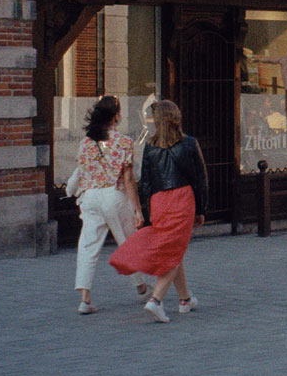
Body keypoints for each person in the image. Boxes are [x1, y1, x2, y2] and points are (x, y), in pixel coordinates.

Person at [110, 99, 207, 321]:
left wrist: (144, 209)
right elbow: (200, 180)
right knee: (173, 251)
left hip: (159, 201)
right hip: (182, 198)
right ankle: (156, 300)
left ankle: (185, 299)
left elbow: (146, 181)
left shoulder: (150, 146)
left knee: (174, 247)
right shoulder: (189, 144)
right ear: (175, 118)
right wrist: (202, 209)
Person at [72, 95, 143, 315]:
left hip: (90, 197)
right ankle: (139, 284)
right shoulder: (123, 142)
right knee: (127, 241)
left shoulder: (85, 143)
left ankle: (85, 298)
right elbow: (129, 180)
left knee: (87, 246)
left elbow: (81, 173)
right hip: (114, 195)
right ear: (115, 116)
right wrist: (137, 209)